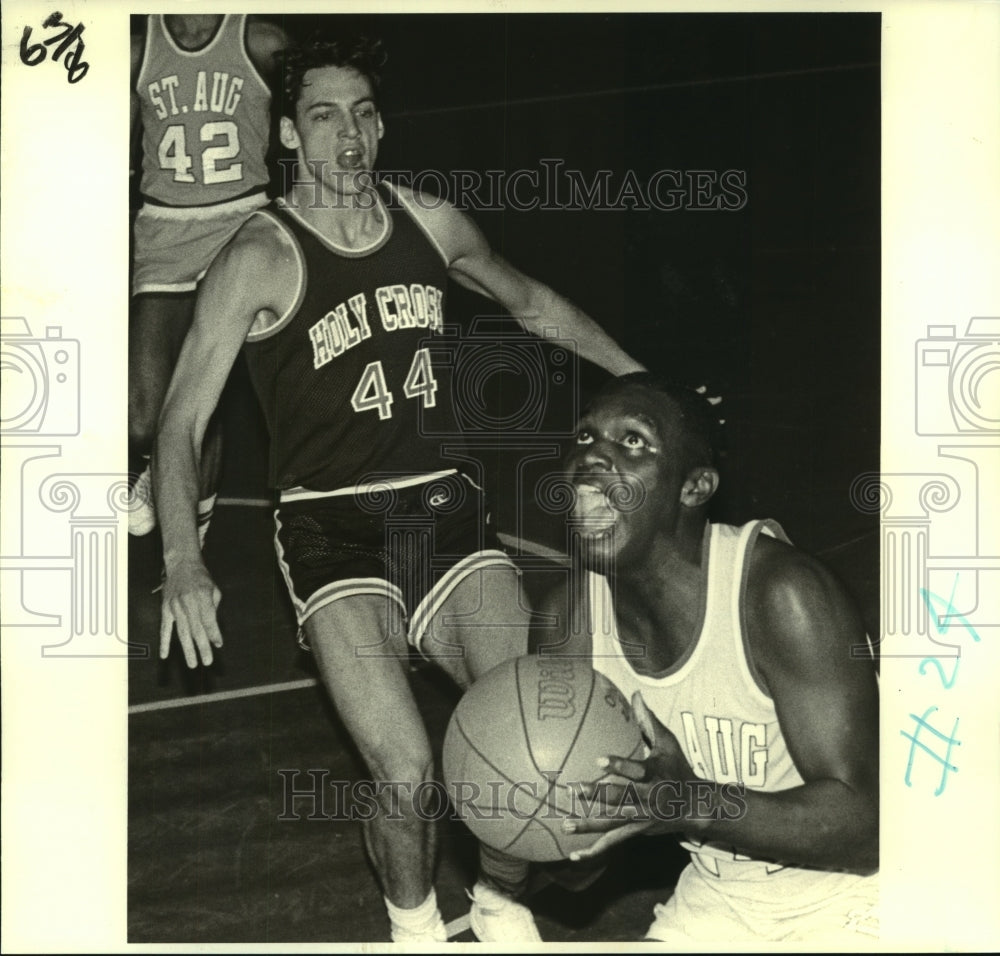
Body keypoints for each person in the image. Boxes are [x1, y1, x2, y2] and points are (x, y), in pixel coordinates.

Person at [153, 35, 644, 943]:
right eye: (325, 116)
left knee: (542, 740)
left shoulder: (428, 222)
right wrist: (184, 559)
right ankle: (414, 927)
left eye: (366, 114)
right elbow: (180, 422)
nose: (351, 136)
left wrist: (641, 379)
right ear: (290, 136)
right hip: (331, 530)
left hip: (443, 515)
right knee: (409, 770)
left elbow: (530, 302)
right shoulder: (258, 257)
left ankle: (500, 900)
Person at [534, 372, 879, 943]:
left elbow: (869, 831)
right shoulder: (564, 624)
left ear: (693, 488)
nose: (594, 454)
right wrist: (537, 828)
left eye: (633, 441)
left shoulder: (781, 596)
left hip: (860, 899)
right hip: (720, 900)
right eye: (585, 436)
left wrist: (691, 803)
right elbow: (579, 868)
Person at [128, 13, 287, 542]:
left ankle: (191, 547)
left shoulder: (260, 40)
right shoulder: (136, 48)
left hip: (241, 226)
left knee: (208, 401)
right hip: (164, 232)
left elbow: (304, 124)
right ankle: (156, 468)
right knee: (141, 418)